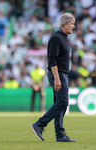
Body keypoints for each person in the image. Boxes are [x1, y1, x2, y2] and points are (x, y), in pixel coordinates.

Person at [30, 13, 76, 142]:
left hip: (62, 74)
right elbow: (52, 59)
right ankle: (39, 124)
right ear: (65, 24)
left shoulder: (63, 38)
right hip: (58, 74)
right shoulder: (56, 37)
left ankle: (60, 135)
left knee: (60, 104)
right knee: (63, 102)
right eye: (72, 23)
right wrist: (57, 78)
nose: (74, 26)